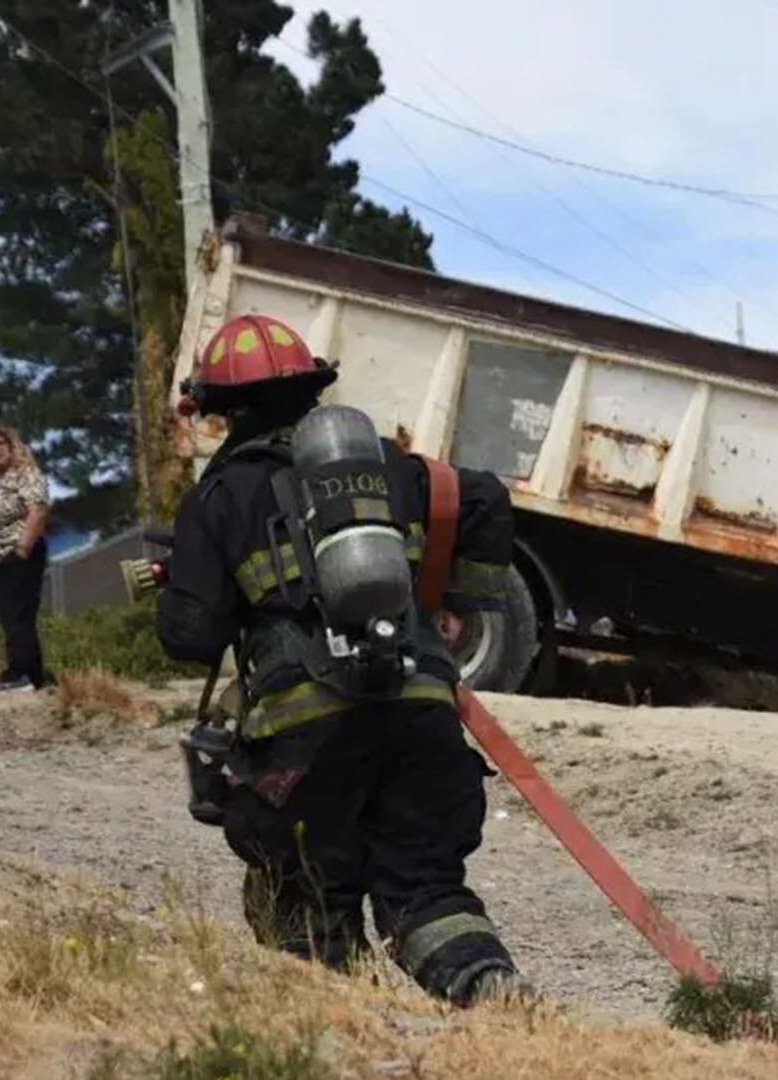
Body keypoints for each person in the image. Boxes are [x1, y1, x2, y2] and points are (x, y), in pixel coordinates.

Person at [155, 313, 529, 1006]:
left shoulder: (220, 494)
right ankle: (501, 1002)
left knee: (301, 898)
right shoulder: (386, 466)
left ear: (222, 409)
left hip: (302, 743)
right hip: (419, 712)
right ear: (310, 388)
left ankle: (343, 1038)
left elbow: (190, 638)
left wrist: (189, 574)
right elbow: (484, 499)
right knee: (427, 891)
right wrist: (449, 607)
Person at [0, 425, 53, 691]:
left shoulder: (26, 475)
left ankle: (21, 675)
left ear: (12, 445)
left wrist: (22, 549)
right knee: (10, 619)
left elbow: (37, 510)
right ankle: (30, 674)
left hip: (15, 556)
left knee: (18, 616)